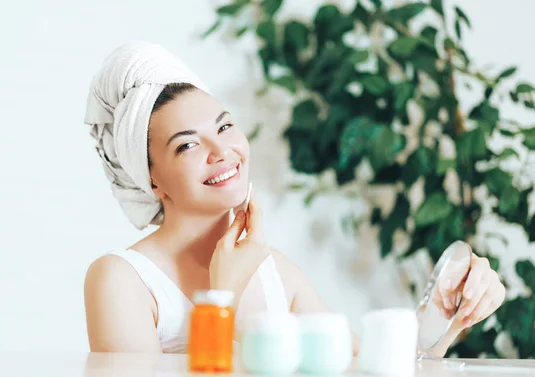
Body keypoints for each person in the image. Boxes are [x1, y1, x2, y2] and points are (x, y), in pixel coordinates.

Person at [83, 42, 505, 356]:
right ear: (152, 180)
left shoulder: (273, 269)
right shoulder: (121, 280)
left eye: (225, 127)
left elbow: (374, 372)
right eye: (187, 146)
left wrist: (450, 316)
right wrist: (224, 295)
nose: (221, 151)